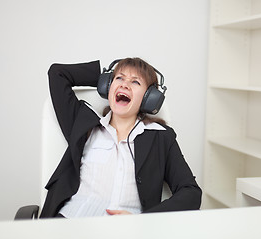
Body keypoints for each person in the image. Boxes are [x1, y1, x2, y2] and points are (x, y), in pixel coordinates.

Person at [40, 58, 202, 218]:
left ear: (148, 97)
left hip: (127, 232)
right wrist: (105, 78)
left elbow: (191, 193)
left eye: (135, 82)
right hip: (69, 223)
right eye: (120, 78)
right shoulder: (83, 123)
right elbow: (58, 73)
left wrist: (144, 219)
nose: (124, 84)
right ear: (108, 87)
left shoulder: (161, 138)